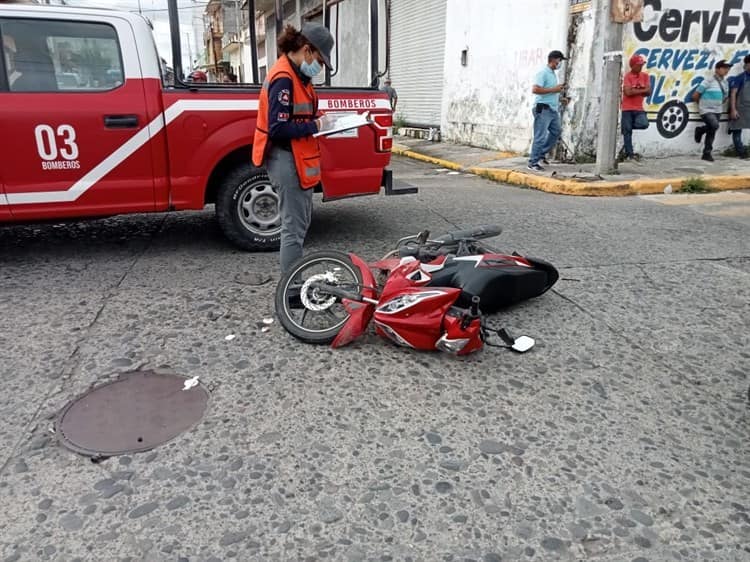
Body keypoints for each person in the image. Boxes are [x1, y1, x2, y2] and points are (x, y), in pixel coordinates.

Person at [252, 23, 335, 273]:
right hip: (286, 160)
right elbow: (278, 129)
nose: (319, 67)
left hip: (296, 158)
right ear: (307, 50)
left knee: (300, 224)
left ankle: (293, 283)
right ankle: (292, 291)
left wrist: (320, 120)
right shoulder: (284, 79)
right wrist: (316, 124)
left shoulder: (298, 75)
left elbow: (299, 114)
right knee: (293, 229)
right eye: (320, 61)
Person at [527, 50, 567, 172]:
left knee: (556, 131)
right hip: (543, 109)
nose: (560, 63)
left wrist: (561, 99)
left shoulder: (552, 74)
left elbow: (550, 92)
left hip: (552, 109)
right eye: (560, 60)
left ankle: (541, 154)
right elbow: (535, 89)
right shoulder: (543, 73)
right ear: (554, 60)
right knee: (540, 135)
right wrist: (554, 89)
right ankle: (533, 162)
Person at [692, 60, 732, 162]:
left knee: (711, 131)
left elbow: (725, 97)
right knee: (714, 125)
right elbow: (696, 95)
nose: (726, 70)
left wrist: (718, 102)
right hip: (706, 110)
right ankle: (700, 130)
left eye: (728, 68)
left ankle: (706, 153)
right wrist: (703, 105)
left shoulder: (725, 83)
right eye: (724, 68)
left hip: (718, 110)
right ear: (717, 69)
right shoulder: (708, 80)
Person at [620, 54, 651, 161]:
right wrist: (642, 90)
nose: (640, 67)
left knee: (644, 124)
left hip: (638, 108)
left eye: (641, 65)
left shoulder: (645, 76)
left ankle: (625, 127)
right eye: (638, 65)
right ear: (632, 65)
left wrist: (635, 91)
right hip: (627, 108)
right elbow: (628, 92)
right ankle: (630, 154)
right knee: (627, 132)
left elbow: (648, 92)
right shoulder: (627, 76)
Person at [728, 54, 750, 160]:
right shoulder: (740, 77)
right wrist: (733, 110)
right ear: (747, 65)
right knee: (737, 130)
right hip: (740, 108)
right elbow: (733, 93)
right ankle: (741, 152)